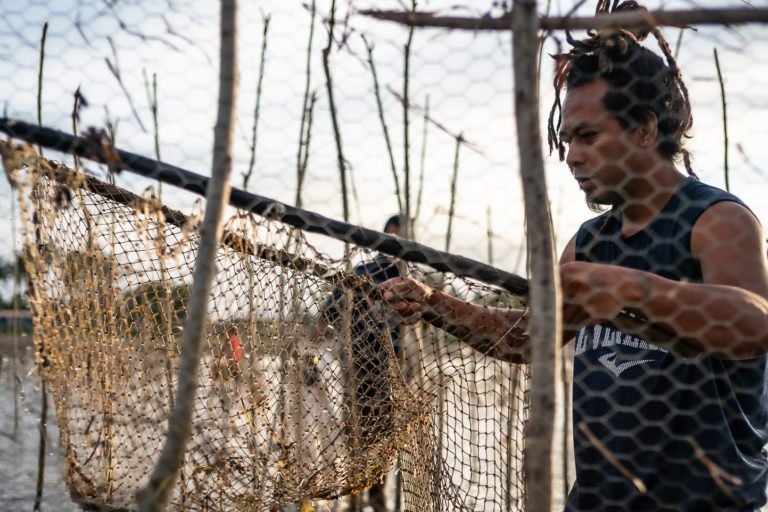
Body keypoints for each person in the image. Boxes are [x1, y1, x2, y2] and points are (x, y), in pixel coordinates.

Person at [381, 6, 768, 511]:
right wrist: (434, 303)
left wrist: (628, 290)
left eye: (588, 136)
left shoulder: (714, 220)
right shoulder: (588, 244)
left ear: (645, 130)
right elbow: (525, 337)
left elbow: (753, 325)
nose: (572, 156)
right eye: (566, 141)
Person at [312, 214, 405, 512]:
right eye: (399, 237)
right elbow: (327, 314)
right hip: (359, 373)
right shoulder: (364, 273)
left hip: (391, 377)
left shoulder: (408, 278)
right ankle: (355, 500)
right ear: (389, 234)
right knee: (357, 441)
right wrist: (308, 351)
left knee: (385, 445)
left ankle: (376, 501)